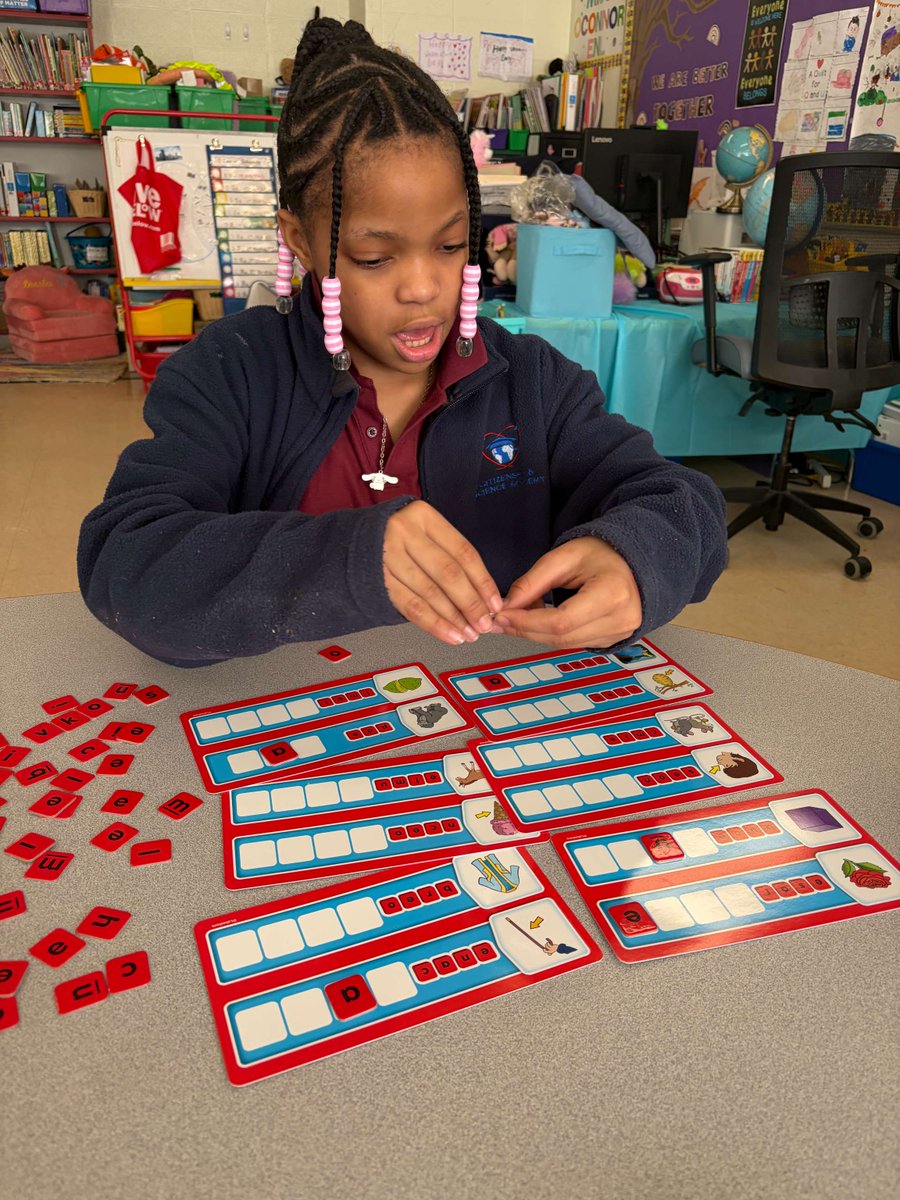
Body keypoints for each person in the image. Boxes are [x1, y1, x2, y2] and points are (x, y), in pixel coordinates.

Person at [77, 17, 728, 668]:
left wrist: (635, 558)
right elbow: (126, 556)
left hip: (490, 733)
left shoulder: (532, 381)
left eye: (449, 246)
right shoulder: (229, 374)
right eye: (375, 258)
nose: (423, 288)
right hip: (288, 736)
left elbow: (677, 500)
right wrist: (344, 557)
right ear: (300, 239)